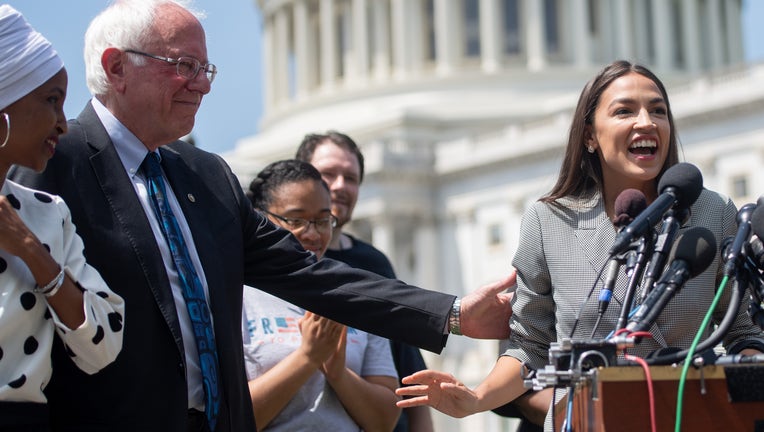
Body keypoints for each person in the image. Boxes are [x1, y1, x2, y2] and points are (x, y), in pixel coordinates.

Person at [9, 1, 513, 431]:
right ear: (117, 68)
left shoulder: (205, 176)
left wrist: (452, 313)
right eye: (184, 66)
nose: (202, 86)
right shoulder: (51, 163)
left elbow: (306, 274)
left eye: (206, 70)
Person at [395, 60, 764, 429]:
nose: (646, 122)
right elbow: (530, 346)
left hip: (693, 416)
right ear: (589, 135)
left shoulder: (712, 212)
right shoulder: (549, 221)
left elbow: (745, 332)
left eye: (658, 110)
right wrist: (476, 398)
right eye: (624, 111)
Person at [0, 5, 125, 431]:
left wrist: (32, 251)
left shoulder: (47, 214)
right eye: (51, 101)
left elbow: (103, 345)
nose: (62, 124)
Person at [243, 159, 400, 431]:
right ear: (261, 218)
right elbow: (229, 417)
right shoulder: (237, 296)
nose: (312, 233)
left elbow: (385, 421)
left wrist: (338, 373)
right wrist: (308, 357)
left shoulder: (356, 296)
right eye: (297, 219)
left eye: (322, 220)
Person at [296, 131, 435, 432]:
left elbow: (410, 365)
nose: (340, 186)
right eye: (328, 174)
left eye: (351, 178)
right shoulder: (279, 265)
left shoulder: (374, 264)